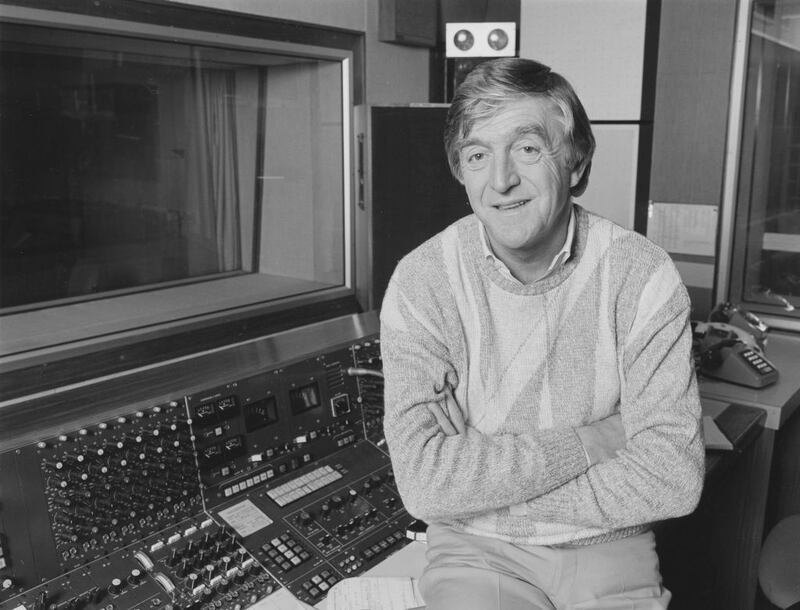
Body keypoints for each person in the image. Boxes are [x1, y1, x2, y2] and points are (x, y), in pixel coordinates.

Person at [379, 57, 705, 610]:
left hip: (612, 553)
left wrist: (478, 486)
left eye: (527, 148)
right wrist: (596, 439)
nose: (501, 179)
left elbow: (671, 476)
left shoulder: (643, 274)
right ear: (461, 172)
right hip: (475, 556)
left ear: (575, 163)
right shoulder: (422, 280)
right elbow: (427, 486)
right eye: (477, 155)